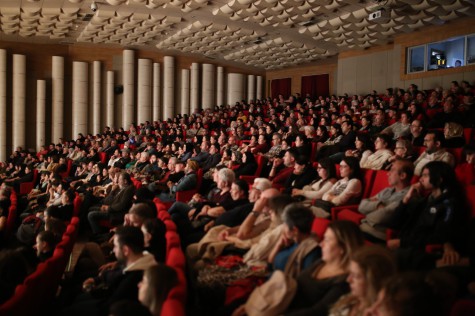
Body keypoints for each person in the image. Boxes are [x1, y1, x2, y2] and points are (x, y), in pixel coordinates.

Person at [388, 161, 468, 270]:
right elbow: (393, 222)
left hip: (421, 251)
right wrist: (406, 198)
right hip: (408, 244)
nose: (420, 179)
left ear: (439, 179)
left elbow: (440, 236)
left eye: (425, 175)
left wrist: (401, 242)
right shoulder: (426, 199)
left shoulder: (449, 204)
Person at [283, 221, 365, 316]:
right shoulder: (321, 262)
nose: (321, 244)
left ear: (343, 247)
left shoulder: (344, 282)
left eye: (327, 240)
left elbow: (318, 312)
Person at [329, 246, 397, 316]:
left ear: (373, 281)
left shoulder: (377, 313)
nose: (348, 280)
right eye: (350, 273)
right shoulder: (346, 300)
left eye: (356, 276)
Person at [359, 159, 413, 242]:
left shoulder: (409, 196)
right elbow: (361, 206)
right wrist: (378, 205)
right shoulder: (387, 190)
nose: (388, 174)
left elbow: (380, 217)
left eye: (392, 170)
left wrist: (370, 210)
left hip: (376, 236)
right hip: (363, 229)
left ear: (402, 176)